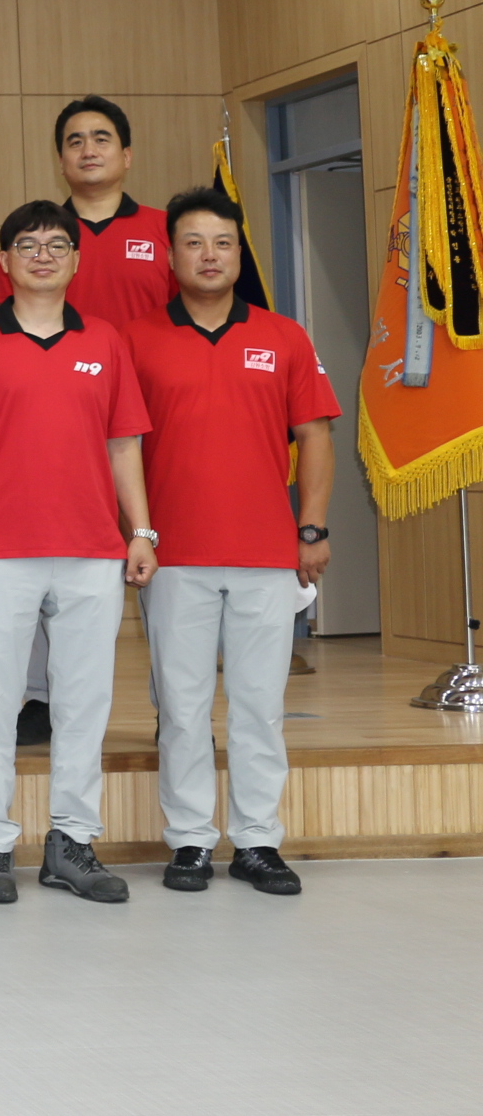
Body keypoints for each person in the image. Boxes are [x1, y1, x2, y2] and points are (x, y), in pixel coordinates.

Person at [0, 200, 156, 906]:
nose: (42, 255)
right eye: (28, 245)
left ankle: (72, 841)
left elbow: (124, 444)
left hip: (92, 549)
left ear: (76, 259)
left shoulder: (106, 340)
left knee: (84, 702)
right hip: (0, 550)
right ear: (3, 262)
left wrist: (141, 530)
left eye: (57, 244)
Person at [125, 188, 337, 898]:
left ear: (239, 253)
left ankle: (256, 842)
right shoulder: (136, 338)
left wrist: (311, 528)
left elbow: (314, 436)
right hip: (174, 557)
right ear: (170, 255)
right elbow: (119, 447)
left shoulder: (285, 336)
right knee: (182, 709)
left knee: (258, 708)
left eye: (222, 242)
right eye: (194, 242)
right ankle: (189, 840)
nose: (209, 255)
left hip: (267, 555)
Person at [0, 95, 178, 327]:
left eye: (101, 140)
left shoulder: (169, 228)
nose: (89, 152)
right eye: (76, 143)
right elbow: (0, 316)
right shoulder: (29, 234)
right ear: (61, 162)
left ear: (126, 156)